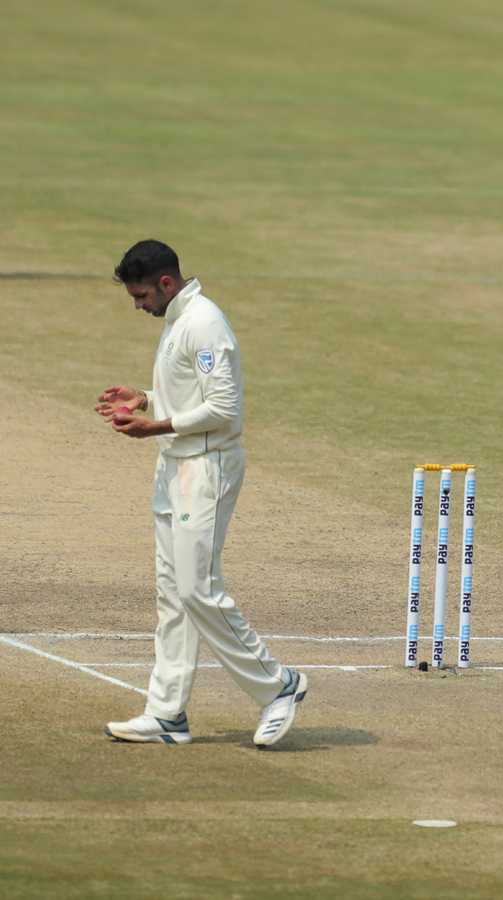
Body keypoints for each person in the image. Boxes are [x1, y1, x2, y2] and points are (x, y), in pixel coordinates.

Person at [95, 240, 307, 746]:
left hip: (205, 469)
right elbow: (190, 388)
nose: (139, 305)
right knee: (173, 595)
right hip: (174, 466)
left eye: (143, 294)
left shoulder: (205, 322)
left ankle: (279, 685)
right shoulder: (177, 321)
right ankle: (167, 714)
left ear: (167, 283)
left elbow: (224, 409)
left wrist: (156, 425)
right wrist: (143, 399)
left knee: (196, 589)